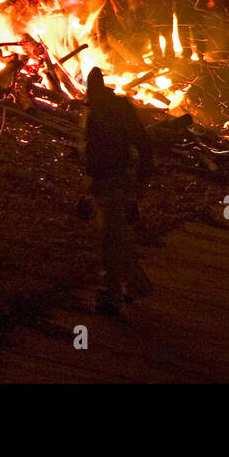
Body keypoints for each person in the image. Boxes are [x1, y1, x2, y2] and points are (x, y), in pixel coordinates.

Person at [81, 67, 155, 314]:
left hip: (115, 181)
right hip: (103, 182)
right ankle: (134, 286)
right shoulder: (96, 110)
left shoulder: (114, 110)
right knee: (113, 238)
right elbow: (90, 152)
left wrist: (142, 176)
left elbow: (141, 142)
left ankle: (111, 294)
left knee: (110, 240)